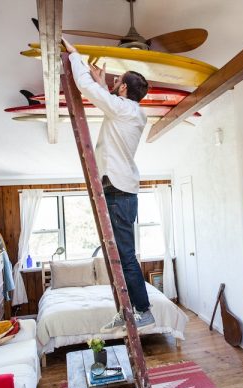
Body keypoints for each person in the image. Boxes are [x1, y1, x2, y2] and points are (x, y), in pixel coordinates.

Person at [63, 38, 154, 333]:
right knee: (120, 255)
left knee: (124, 256)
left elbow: (85, 88)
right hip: (122, 190)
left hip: (118, 191)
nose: (114, 84)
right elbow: (111, 102)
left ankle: (142, 310)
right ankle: (127, 308)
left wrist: (76, 57)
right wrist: (104, 85)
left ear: (124, 89)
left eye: (118, 83)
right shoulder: (131, 111)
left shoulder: (124, 110)